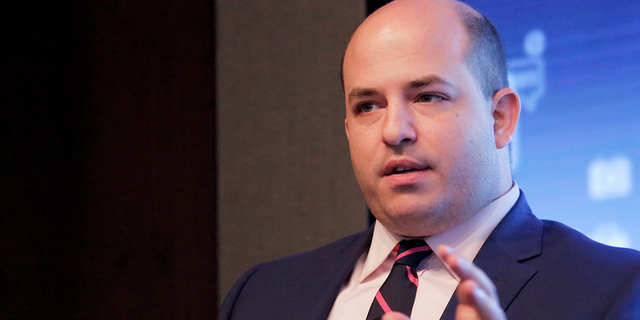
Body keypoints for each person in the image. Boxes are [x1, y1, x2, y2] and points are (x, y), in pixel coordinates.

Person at [218, 0, 640, 319]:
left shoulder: (618, 291)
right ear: (347, 128)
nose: (393, 130)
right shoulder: (261, 296)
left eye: (427, 97)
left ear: (500, 118)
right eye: (368, 106)